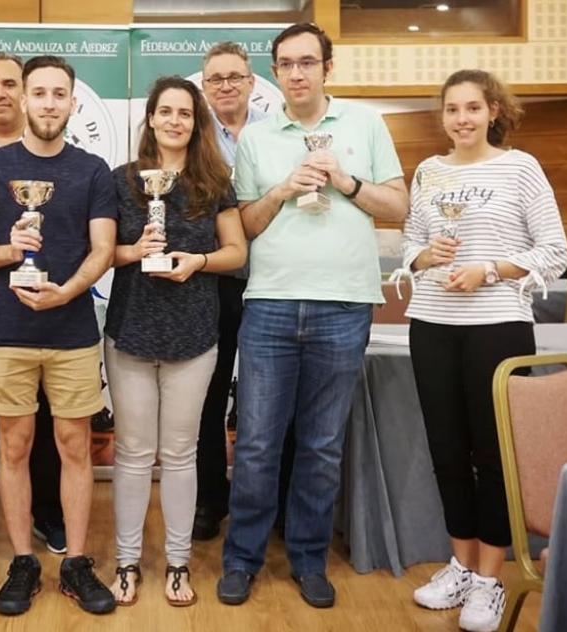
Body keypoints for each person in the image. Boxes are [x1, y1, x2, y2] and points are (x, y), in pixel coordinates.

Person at [217, 23, 408, 609]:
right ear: (273, 73)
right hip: (270, 303)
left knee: (322, 445)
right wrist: (280, 191)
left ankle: (307, 558)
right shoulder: (254, 138)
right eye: (286, 63)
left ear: (328, 66)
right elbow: (244, 227)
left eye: (307, 62)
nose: (297, 72)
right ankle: (242, 559)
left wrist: (345, 181)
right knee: (255, 444)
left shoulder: (365, 125)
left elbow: (399, 205)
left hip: (345, 304)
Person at [402, 69, 567, 632]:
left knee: (493, 457)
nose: (462, 119)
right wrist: (426, 256)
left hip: (497, 325)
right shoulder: (427, 171)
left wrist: (490, 269)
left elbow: (555, 250)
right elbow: (409, 244)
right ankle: (462, 564)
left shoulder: (520, 166)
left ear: (493, 111)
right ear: (442, 116)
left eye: (473, 108)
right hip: (430, 322)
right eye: (452, 109)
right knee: (447, 452)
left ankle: (491, 581)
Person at [0, 55, 117, 616]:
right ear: (23, 100)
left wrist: (66, 291)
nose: (49, 103)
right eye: (40, 93)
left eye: (60, 94)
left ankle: (75, 561)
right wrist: (14, 249)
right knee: (13, 447)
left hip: (73, 332)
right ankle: (23, 559)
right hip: (7, 332)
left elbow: (102, 250)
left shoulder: (94, 170)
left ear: (72, 102)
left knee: (75, 447)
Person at [105, 76, 246, 607]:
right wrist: (134, 249)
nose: (174, 121)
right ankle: (126, 562)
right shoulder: (122, 182)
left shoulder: (215, 183)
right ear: (151, 119)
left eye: (184, 113)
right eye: (165, 111)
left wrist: (198, 262)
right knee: (134, 454)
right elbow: (102, 252)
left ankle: (179, 563)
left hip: (194, 335)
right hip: (131, 333)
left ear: (196, 122)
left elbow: (236, 252)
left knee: (180, 454)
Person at [0, 52, 68, 556]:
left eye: (10, 82)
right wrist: (10, 251)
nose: (1, 92)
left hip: (60, 322)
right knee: (0, 433)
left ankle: (49, 515)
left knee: (52, 433)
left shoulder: (73, 163)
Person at [193, 41, 270, 541]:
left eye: (234, 77)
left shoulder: (279, 134)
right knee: (207, 396)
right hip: (213, 284)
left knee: (266, 403)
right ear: (204, 87)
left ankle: (264, 504)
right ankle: (209, 501)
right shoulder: (191, 137)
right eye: (215, 78)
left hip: (271, 282)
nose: (225, 85)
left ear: (251, 82)